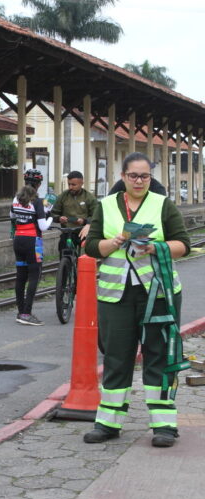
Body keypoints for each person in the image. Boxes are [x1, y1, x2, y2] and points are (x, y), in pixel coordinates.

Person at [82, 152, 190, 448]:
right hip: (116, 295)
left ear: (151, 178)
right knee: (117, 356)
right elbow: (91, 246)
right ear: (123, 177)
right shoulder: (104, 206)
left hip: (157, 293)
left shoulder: (163, 205)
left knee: (158, 355)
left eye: (145, 176)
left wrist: (155, 248)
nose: (140, 181)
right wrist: (113, 242)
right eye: (134, 176)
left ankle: (164, 425)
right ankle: (108, 423)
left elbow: (184, 244)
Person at [10, 169, 52, 326]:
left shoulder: (16, 198)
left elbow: (12, 216)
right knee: (35, 275)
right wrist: (50, 216)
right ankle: (27, 314)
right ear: (39, 185)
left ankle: (20, 312)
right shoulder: (37, 201)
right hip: (33, 242)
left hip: (18, 240)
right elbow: (43, 226)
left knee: (21, 276)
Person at [50, 171, 97, 255]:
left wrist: (85, 221)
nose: (70, 187)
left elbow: (96, 216)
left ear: (81, 183)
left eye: (73, 185)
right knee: (63, 247)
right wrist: (59, 218)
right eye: (69, 184)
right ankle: (65, 265)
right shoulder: (63, 196)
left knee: (88, 250)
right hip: (67, 232)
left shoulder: (89, 198)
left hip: (83, 231)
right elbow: (53, 213)